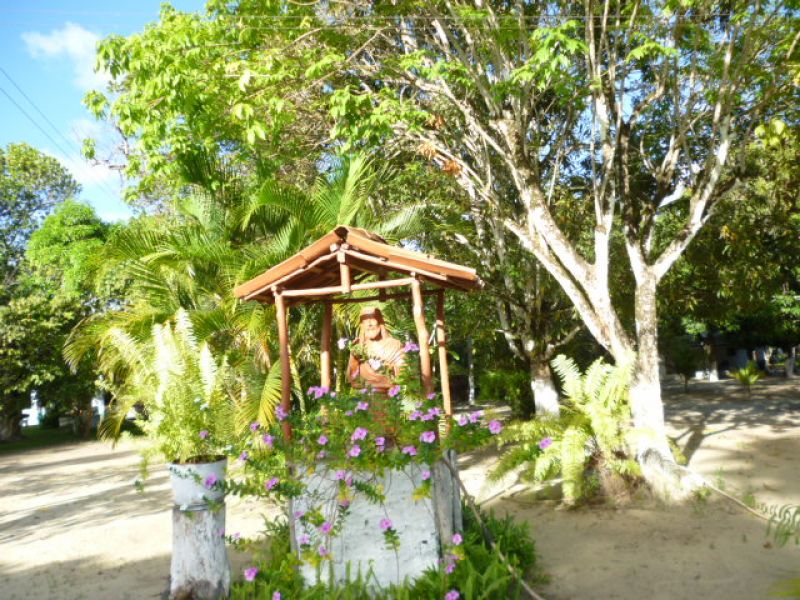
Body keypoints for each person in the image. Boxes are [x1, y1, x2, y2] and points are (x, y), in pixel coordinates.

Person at [347, 307, 405, 393]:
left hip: (389, 399)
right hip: (365, 399)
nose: (369, 324)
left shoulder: (395, 345)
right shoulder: (358, 348)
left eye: (373, 319)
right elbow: (353, 380)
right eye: (365, 321)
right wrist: (353, 356)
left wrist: (388, 369)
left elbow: (403, 374)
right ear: (362, 325)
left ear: (380, 322)